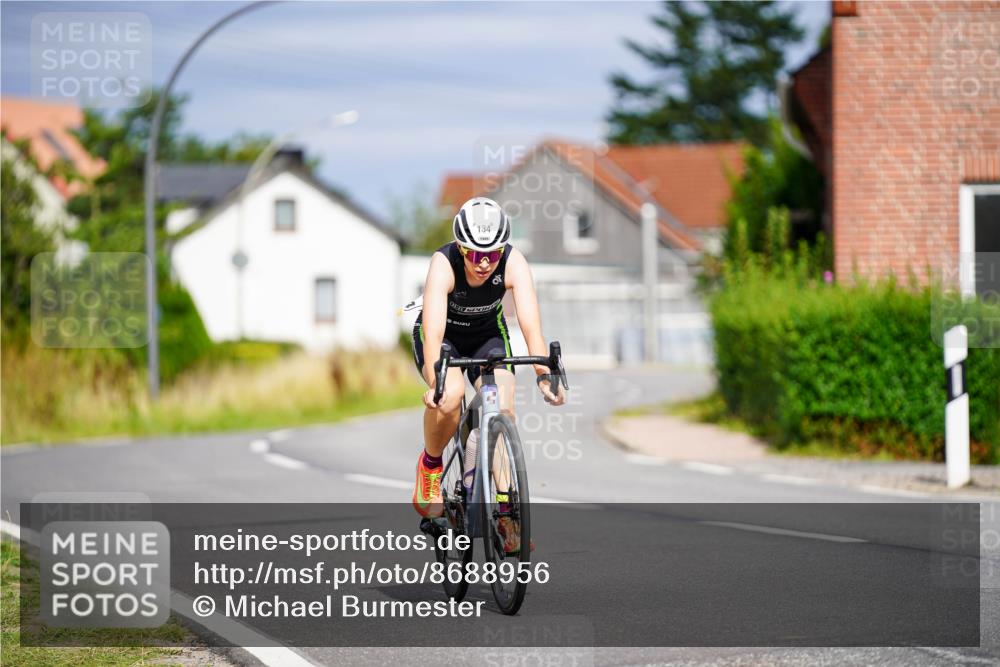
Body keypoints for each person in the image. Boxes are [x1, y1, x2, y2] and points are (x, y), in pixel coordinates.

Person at [410, 197, 565, 550]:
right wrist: (437, 383)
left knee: (503, 408)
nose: (483, 263)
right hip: (443, 337)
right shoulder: (443, 263)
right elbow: (433, 333)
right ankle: (431, 467)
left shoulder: (514, 262)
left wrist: (544, 373)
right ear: (461, 247)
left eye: (492, 254)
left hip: (486, 337)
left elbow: (530, 325)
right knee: (450, 397)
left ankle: (508, 512)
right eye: (474, 253)